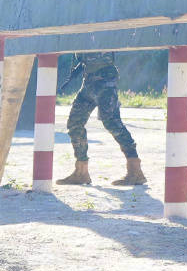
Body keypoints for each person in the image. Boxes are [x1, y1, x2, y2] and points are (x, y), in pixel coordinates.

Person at [56, 53, 144, 187]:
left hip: (105, 80)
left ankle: (135, 170)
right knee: (75, 123)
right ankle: (81, 172)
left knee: (112, 122)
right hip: (89, 81)